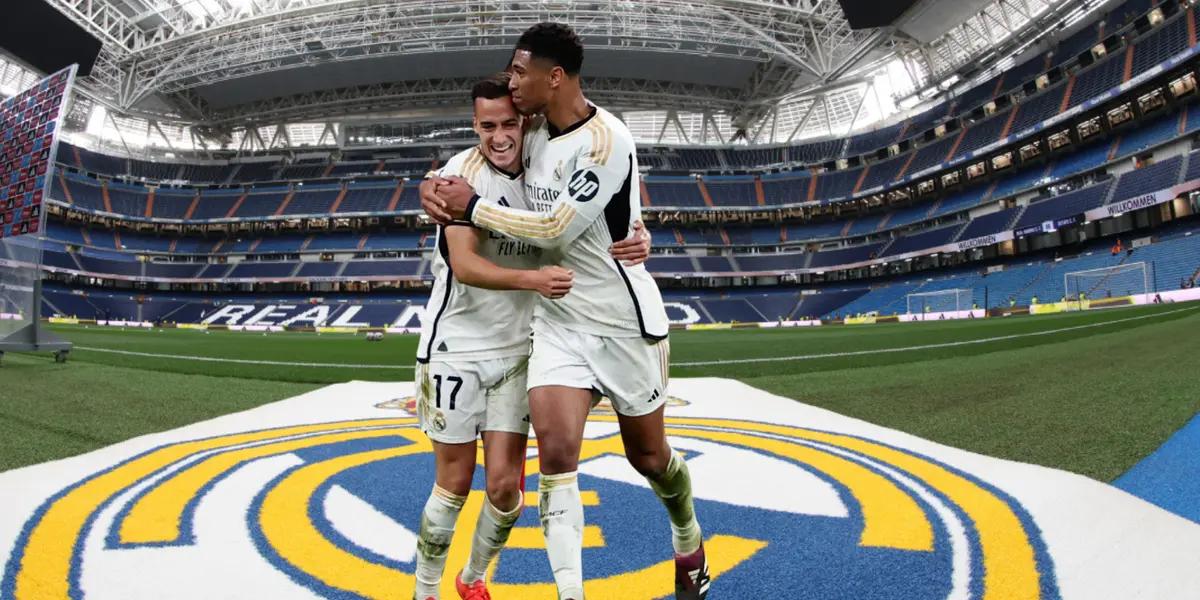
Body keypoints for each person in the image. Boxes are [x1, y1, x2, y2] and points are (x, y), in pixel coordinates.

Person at [421, 23, 709, 600]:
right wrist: (434, 189)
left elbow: (556, 226)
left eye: (520, 72)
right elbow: (479, 159)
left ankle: (689, 543)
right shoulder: (528, 133)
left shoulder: (607, 139)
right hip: (556, 322)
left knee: (649, 458)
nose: (512, 82)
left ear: (554, 78)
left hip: (623, 322)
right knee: (555, 454)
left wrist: (471, 207)